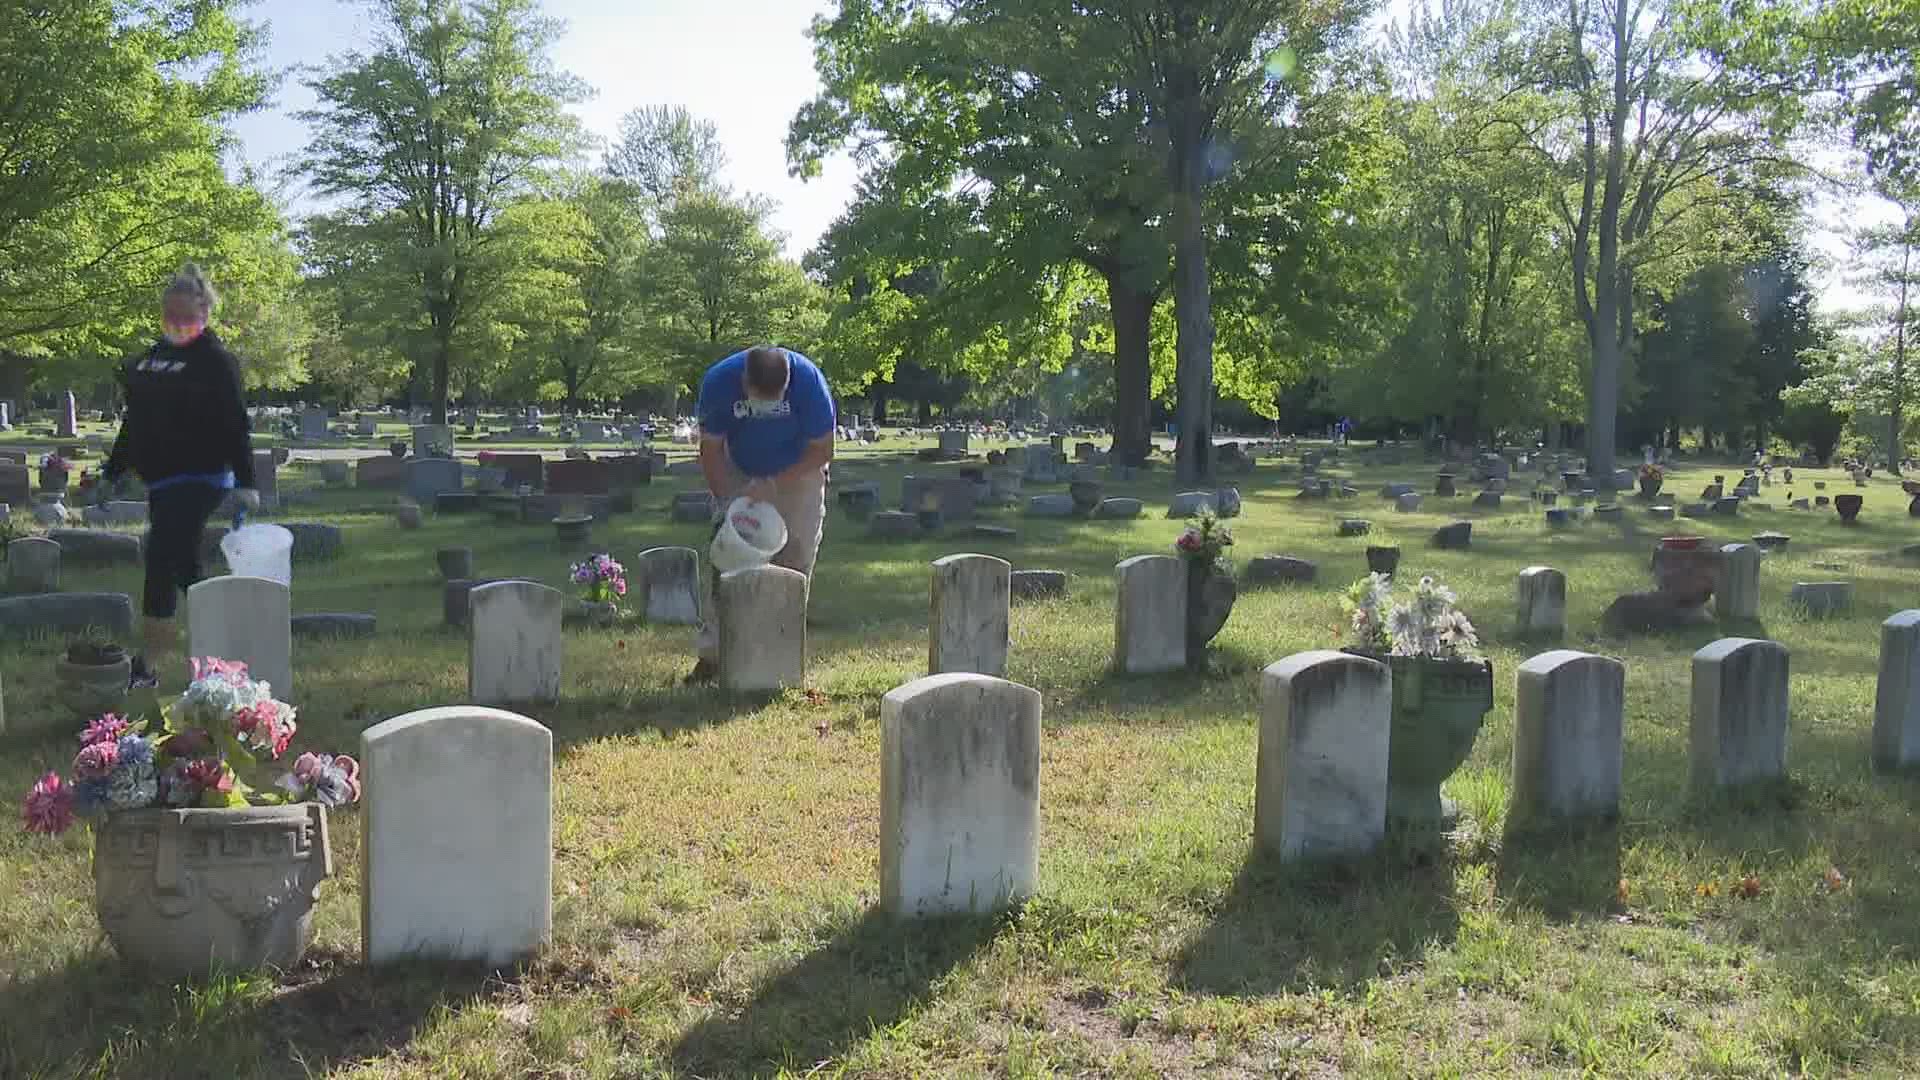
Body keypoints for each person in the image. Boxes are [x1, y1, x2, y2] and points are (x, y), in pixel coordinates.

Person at [102, 263, 261, 685]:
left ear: (205, 312)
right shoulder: (152, 360)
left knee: (161, 556)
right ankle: (227, 653)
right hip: (162, 479)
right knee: (186, 565)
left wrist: (247, 482)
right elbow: (134, 421)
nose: (179, 324)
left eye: (187, 316)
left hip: (202, 476)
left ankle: (146, 667)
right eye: (171, 316)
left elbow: (235, 422)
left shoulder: (216, 361)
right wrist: (113, 470)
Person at [686, 345, 836, 683]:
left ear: (788, 384)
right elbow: (710, 450)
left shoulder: (809, 382)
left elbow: (823, 450)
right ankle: (713, 657)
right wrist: (726, 502)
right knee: (725, 559)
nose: (766, 407)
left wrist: (773, 483)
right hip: (740, 467)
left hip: (800, 472)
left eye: (776, 398)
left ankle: (781, 650)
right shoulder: (719, 382)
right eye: (759, 398)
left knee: (796, 556)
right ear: (744, 380)